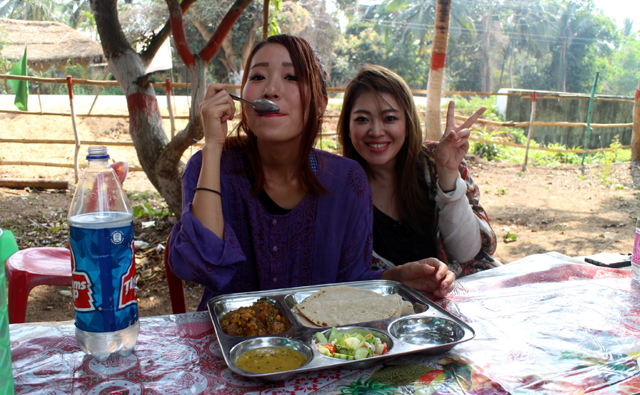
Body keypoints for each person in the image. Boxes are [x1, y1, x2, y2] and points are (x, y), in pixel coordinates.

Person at [169, 36, 455, 311]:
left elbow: (349, 282)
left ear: (320, 103)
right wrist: (214, 145)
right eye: (257, 77)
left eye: (292, 77)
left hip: (321, 350)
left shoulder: (347, 180)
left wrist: (397, 278)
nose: (271, 90)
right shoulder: (209, 165)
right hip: (227, 348)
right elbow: (200, 266)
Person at [338, 65, 499, 278]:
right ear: (348, 128)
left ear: (407, 124)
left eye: (390, 118)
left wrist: (448, 175)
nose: (376, 131)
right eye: (362, 119)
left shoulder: (433, 162)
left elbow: (467, 253)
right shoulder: (337, 190)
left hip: (464, 297)